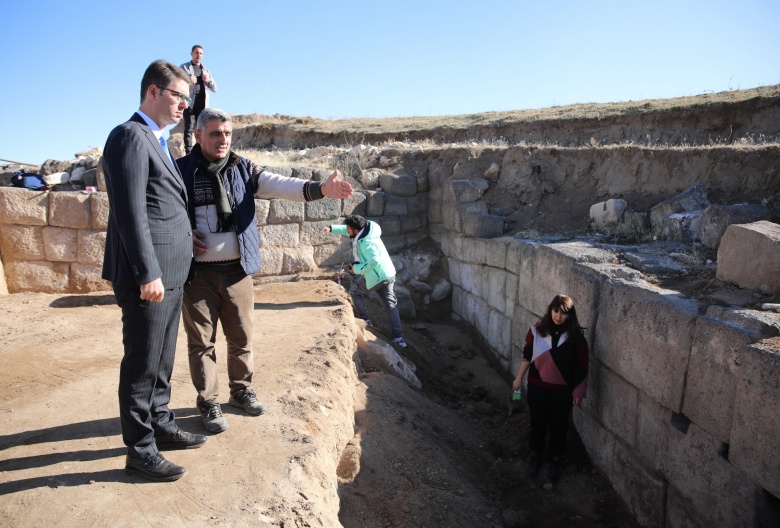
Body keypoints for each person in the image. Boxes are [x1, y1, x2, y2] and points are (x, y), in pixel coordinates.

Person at [176, 107, 353, 434]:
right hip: (195, 276)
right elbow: (158, 213)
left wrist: (321, 190)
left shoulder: (243, 168)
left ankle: (242, 391)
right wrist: (181, 235)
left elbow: (279, 185)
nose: (223, 140)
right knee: (201, 343)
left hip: (238, 272)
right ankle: (209, 403)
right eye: (215, 133)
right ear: (198, 135)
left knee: (241, 336)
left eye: (227, 133)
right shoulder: (178, 172)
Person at [102, 60, 207, 483]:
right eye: (178, 95)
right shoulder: (129, 136)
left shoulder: (160, 141)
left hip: (172, 271)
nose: (185, 104)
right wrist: (148, 272)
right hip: (150, 276)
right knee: (143, 362)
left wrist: (186, 241)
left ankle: (161, 423)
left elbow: (162, 208)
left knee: (163, 356)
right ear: (152, 92)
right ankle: (140, 448)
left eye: (188, 98)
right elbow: (130, 213)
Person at [512, 294, 589, 486]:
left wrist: (578, 391)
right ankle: (536, 456)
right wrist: (518, 378)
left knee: (559, 426)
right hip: (538, 388)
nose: (558, 316)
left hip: (562, 392)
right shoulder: (537, 331)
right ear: (550, 311)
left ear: (569, 315)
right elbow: (527, 355)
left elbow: (582, 366)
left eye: (563, 313)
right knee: (537, 422)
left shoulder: (576, 338)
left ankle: (556, 459)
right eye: (555, 311)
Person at [321, 215, 406, 348]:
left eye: (349, 229)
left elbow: (374, 261)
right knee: (390, 305)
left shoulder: (366, 242)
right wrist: (331, 228)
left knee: (355, 292)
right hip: (388, 273)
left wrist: (356, 269)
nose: (347, 231)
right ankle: (399, 338)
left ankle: (366, 321)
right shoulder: (366, 229)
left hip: (377, 276)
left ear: (355, 231)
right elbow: (347, 229)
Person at [180, 45, 217, 154]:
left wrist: (208, 80)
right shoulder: (184, 67)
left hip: (202, 104)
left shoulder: (206, 70)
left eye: (201, 53)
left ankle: (200, 152)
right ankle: (188, 153)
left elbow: (215, 88)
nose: (198, 55)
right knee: (189, 128)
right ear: (191, 54)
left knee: (201, 129)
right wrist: (188, 80)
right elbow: (176, 82)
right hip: (189, 102)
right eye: (196, 52)